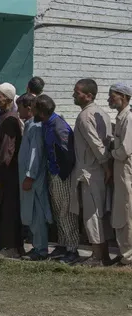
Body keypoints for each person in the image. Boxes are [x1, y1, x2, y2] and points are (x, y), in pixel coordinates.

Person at [70, 79, 113, 266]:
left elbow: (97, 144)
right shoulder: (100, 113)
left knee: (92, 214)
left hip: (91, 172)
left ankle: (97, 256)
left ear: (88, 95)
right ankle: (102, 255)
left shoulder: (86, 116)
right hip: (96, 171)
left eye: (77, 92)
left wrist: (105, 167)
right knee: (97, 213)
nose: (73, 95)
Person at [34, 94, 78, 264]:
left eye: (35, 110)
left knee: (66, 212)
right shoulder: (46, 124)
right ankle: (63, 244)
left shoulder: (58, 126)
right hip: (53, 173)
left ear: (42, 111)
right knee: (58, 212)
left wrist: (61, 173)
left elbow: (67, 154)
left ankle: (72, 249)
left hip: (62, 175)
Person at [17, 93, 52, 261]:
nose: (18, 111)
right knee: (31, 215)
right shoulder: (29, 125)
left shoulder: (36, 127)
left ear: (29, 108)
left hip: (33, 179)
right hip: (28, 178)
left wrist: (30, 176)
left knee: (37, 214)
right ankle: (37, 247)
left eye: (20, 108)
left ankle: (41, 249)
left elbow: (35, 153)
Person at [0, 83, 23, 258]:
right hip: (6, 172)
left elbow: (6, 151)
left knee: (8, 210)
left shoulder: (10, 119)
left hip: (7, 174)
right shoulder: (5, 116)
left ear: (9, 99)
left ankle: (11, 247)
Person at [108, 83, 132, 266]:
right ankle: (124, 251)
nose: (109, 99)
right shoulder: (121, 117)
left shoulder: (128, 118)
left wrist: (111, 153)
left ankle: (128, 256)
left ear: (123, 97)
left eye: (112, 96)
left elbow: (124, 150)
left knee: (126, 211)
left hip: (125, 170)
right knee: (121, 211)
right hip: (119, 170)